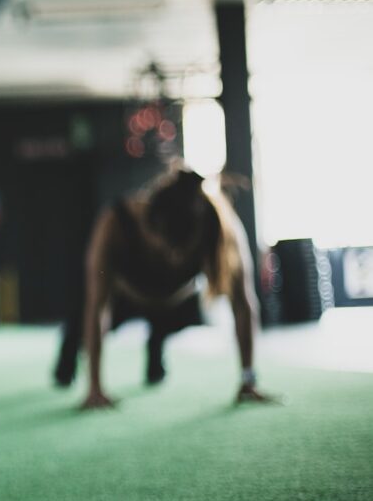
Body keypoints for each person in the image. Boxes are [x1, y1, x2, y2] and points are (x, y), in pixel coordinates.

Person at [60, 166, 273, 409]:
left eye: (181, 252)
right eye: (165, 248)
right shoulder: (115, 222)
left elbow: (243, 304)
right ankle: (67, 358)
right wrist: (95, 388)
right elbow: (98, 306)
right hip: (126, 298)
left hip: (176, 302)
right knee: (76, 334)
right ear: (149, 225)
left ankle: (156, 341)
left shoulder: (219, 229)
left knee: (183, 319)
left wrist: (248, 379)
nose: (172, 258)